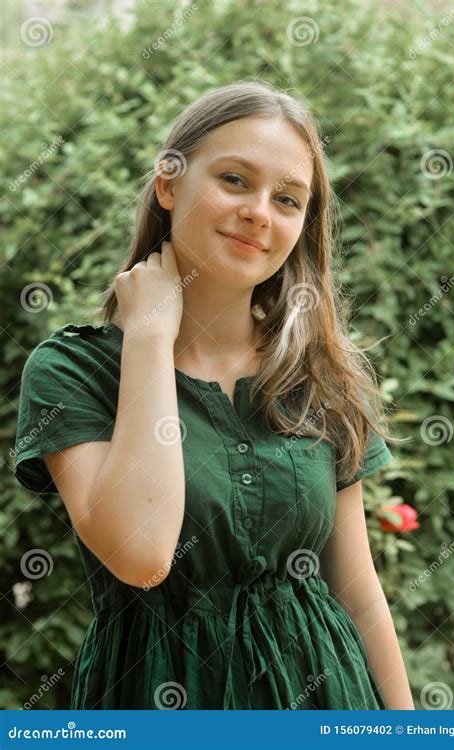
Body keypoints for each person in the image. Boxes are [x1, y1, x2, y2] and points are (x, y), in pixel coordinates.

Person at [14, 80, 414, 710]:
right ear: (169, 184)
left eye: (287, 199)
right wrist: (147, 337)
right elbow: (142, 555)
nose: (260, 211)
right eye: (234, 179)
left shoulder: (319, 374)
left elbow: (357, 587)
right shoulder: (73, 370)